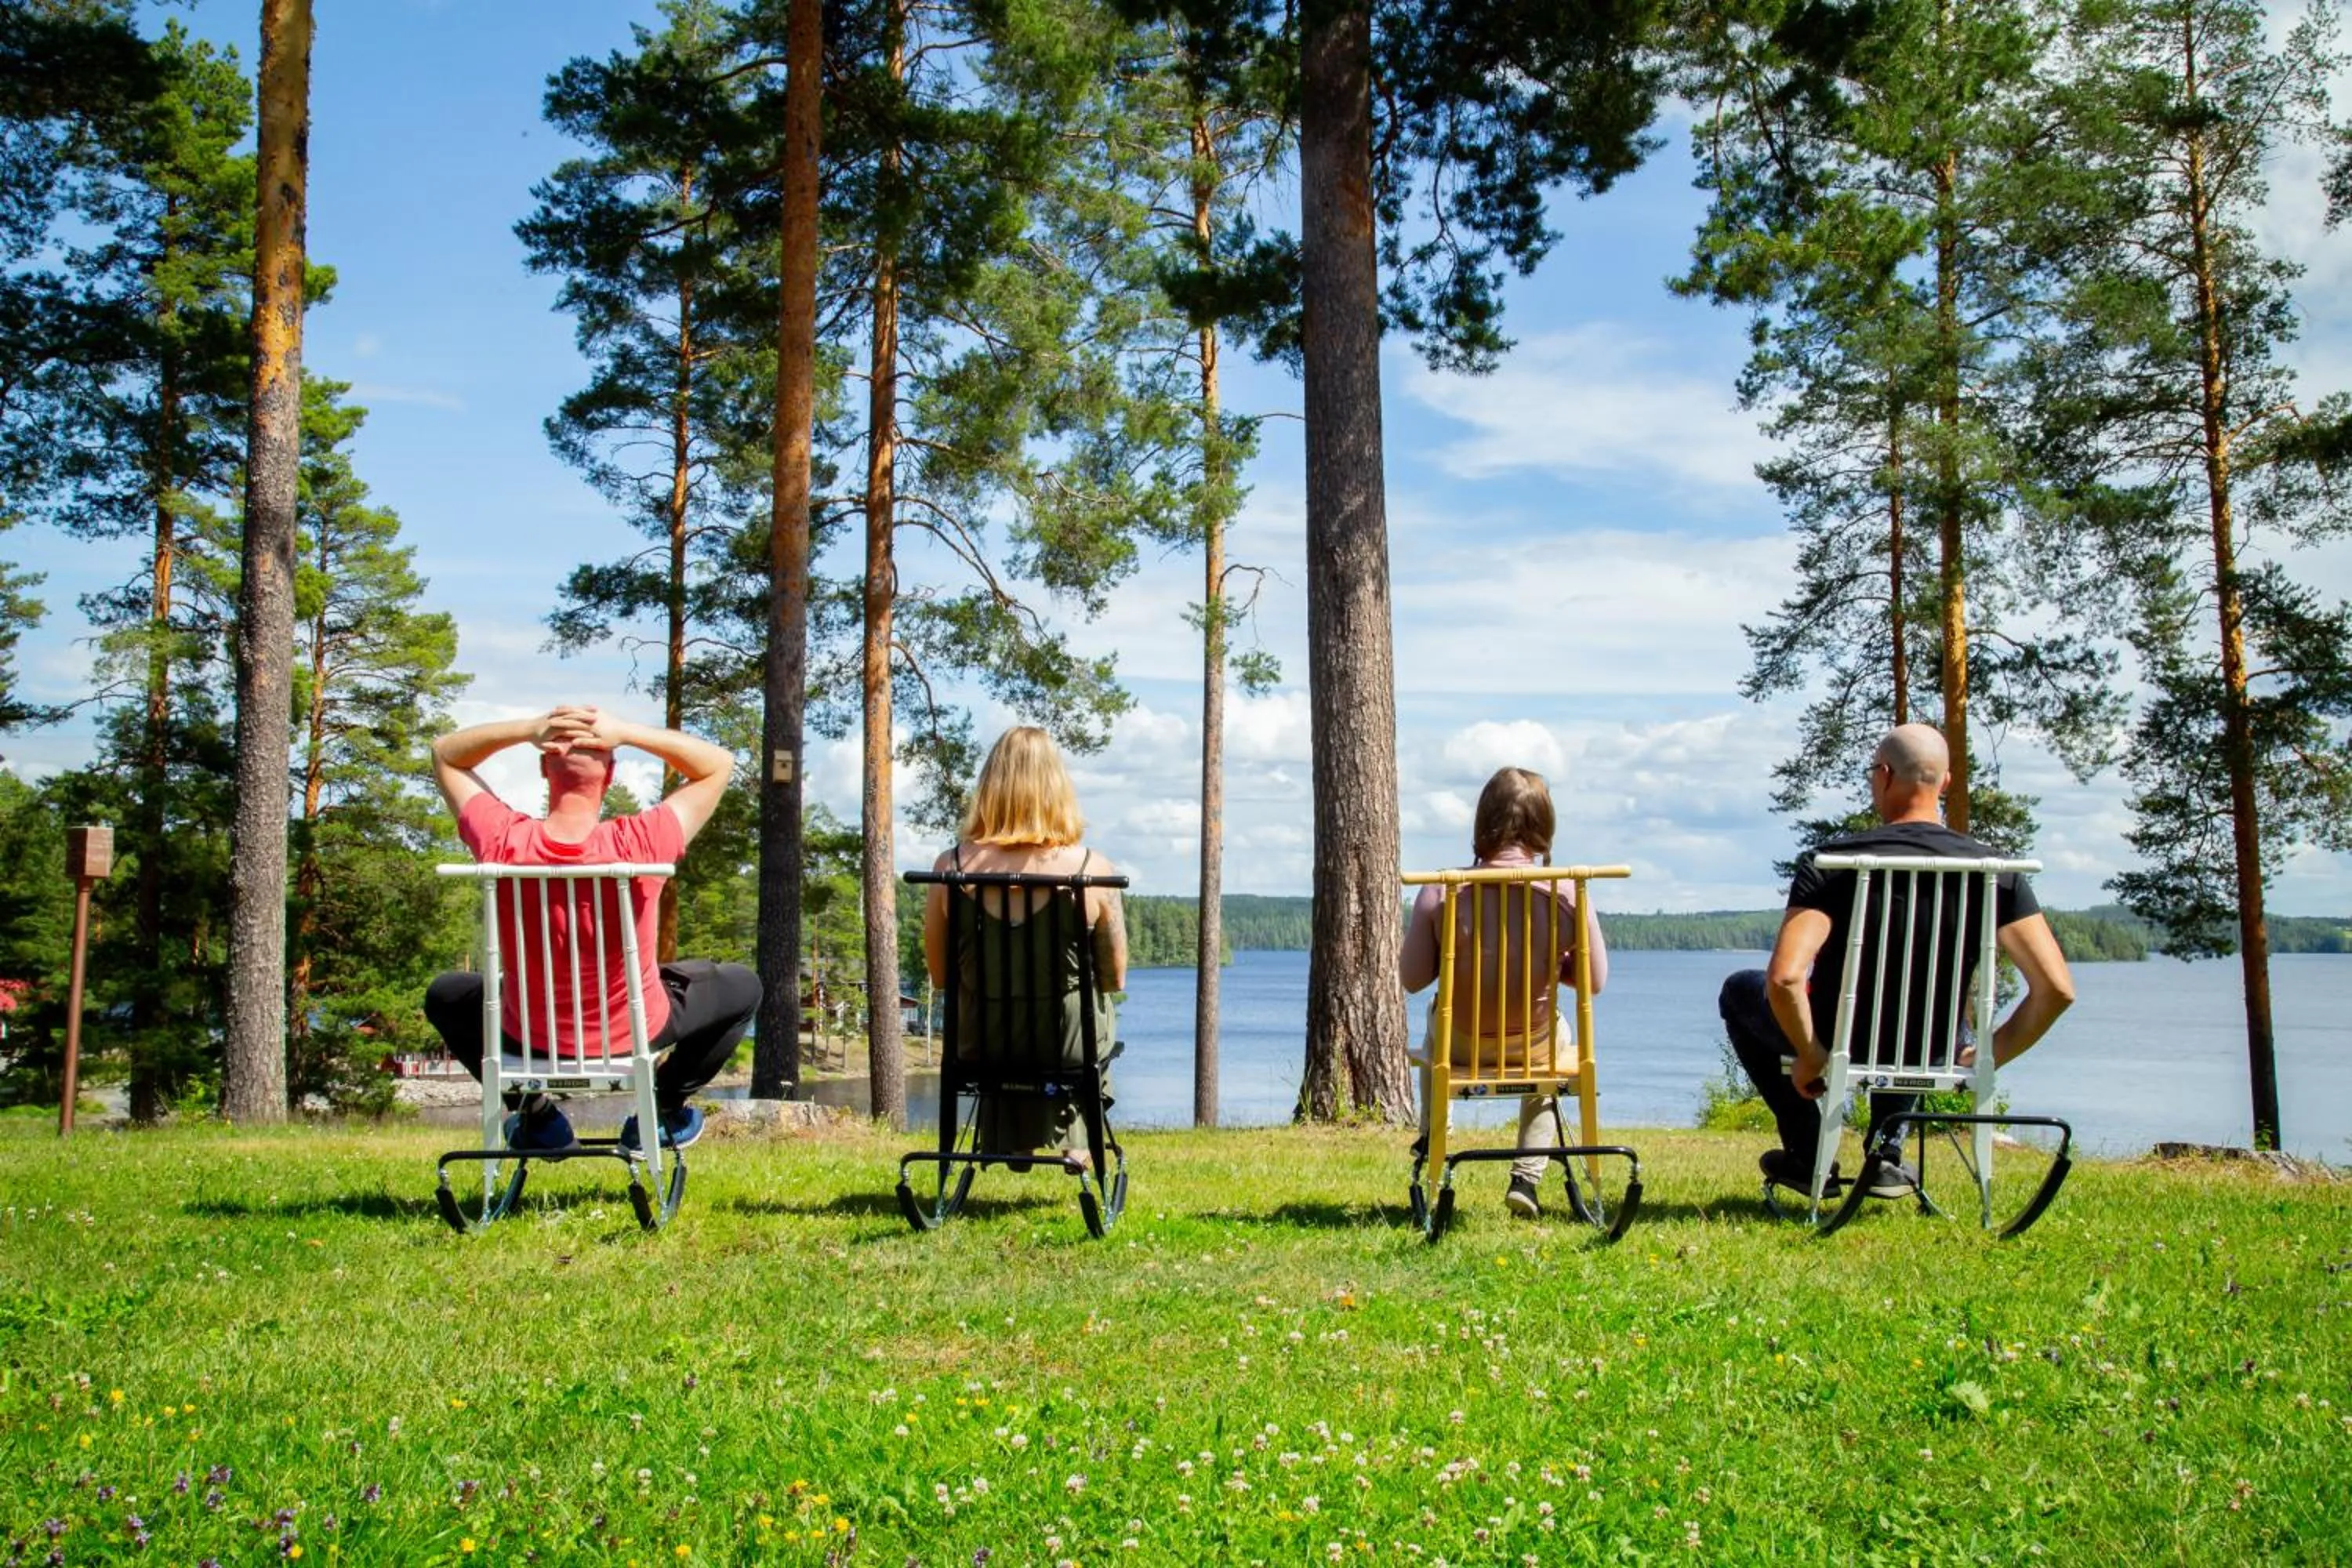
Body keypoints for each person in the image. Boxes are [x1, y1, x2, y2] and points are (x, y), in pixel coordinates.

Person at [1719, 723, 2075, 1197]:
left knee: (1740, 989)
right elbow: (2055, 990)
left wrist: (1810, 1052)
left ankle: (1808, 1158)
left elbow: (1784, 978)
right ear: (1945, 783)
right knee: (1919, 1015)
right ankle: (1885, 1153)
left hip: (1841, 1038)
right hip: (1933, 1044)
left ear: (1883, 776)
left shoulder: (1835, 865)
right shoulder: (1994, 874)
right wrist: (1989, 1054)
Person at [423, 705, 760, 1152]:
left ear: (545, 768)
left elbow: (445, 753)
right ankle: (662, 1108)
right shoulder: (642, 840)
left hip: (528, 1037)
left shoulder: (503, 838)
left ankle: (537, 1117)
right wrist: (626, 730)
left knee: (446, 994)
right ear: (612, 772)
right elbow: (718, 763)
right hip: (634, 1032)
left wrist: (529, 729)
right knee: (742, 987)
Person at [1400, 766, 1610, 1220]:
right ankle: (1526, 1179)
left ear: (1482, 823)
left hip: (1461, 1046)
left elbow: (1413, 979)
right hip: (1532, 1048)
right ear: (1544, 826)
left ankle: (1433, 1140)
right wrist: (1556, 962)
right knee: (1559, 1036)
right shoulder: (1568, 890)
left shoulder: (1444, 888)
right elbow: (1593, 981)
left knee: (1437, 1018)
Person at [921, 726, 1126, 1159]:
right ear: (1058, 790)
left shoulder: (951, 867)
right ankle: (1077, 1146)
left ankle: (1008, 1140)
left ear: (989, 788)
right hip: (1065, 1044)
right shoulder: (1091, 869)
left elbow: (940, 976)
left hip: (982, 1041)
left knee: (1007, 1023)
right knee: (1094, 1014)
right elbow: (1114, 978)